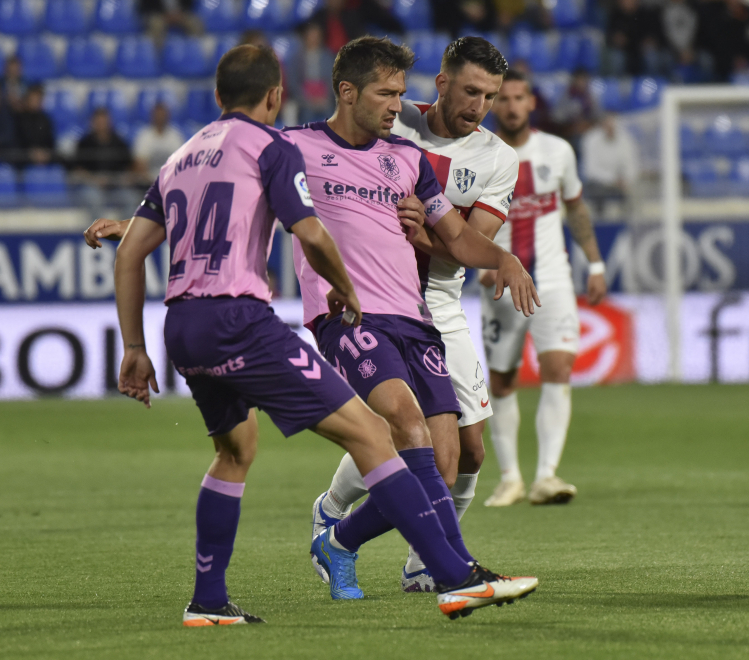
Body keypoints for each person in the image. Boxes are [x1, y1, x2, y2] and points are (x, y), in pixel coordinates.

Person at [106, 43, 538, 625]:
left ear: (216, 97)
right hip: (284, 319)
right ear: (277, 96)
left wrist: (133, 340)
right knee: (381, 433)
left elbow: (457, 238)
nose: (395, 105)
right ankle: (452, 575)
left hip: (204, 322)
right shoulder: (282, 145)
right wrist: (344, 287)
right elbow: (308, 232)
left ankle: (211, 601)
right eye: (386, 93)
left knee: (238, 452)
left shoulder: (187, 155)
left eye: (397, 94)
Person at [283, 35, 539, 599]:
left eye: (490, 96)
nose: (480, 105)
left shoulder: (425, 158)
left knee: (454, 458)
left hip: (429, 306)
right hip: (352, 310)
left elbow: (459, 239)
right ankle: (453, 571)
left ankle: (343, 539)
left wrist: (505, 258)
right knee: (405, 424)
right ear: (443, 84)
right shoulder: (321, 141)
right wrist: (142, 226)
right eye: (470, 91)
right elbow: (228, 186)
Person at [481, 70, 606, 507]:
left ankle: (546, 477)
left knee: (559, 368)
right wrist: (474, 260)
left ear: (532, 102)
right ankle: (510, 476)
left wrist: (595, 262)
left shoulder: (558, 151)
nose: (512, 106)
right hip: (499, 283)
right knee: (502, 378)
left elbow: (576, 209)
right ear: (492, 104)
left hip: (552, 280)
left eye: (519, 97)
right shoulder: (478, 153)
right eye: (503, 99)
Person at [74, 107, 140, 212]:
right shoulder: (84, 143)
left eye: (104, 121)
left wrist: (120, 179)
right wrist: (94, 180)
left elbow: (129, 167)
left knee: (131, 199)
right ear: (92, 122)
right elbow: (78, 170)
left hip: (116, 186)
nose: (101, 124)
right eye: (98, 121)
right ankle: (99, 229)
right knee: (93, 199)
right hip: (92, 185)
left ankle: (126, 229)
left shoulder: (119, 142)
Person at [579, 113, 639, 218]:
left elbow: (631, 164)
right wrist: (613, 179)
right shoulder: (591, 140)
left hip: (621, 183)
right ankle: (599, 221)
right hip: (598, 183)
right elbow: (591, 170)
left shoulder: (626, 139)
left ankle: (629, 222)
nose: (610, 128)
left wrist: (626, 179)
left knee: (636, 191)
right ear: (602, 125)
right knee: (596, 190)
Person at [287, 22, 336, 124]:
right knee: (306, 114)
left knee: (330, 112)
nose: (314, 39)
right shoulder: (296, 58)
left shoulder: (328, 57)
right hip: (305, 98)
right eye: (311, 36)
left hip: (324, 98)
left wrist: (325, 97)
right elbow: (293, 83)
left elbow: (333, 80)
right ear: (305, 37)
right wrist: (307, 99)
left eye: (316, 36)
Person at [132, 102, 186, 185]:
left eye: (162, 115)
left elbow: (181, 163)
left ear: (167, 116)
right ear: (152, 116)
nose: (160, 117)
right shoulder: (144, 136)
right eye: (157, 115)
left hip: (171, 182)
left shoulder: (175, 136)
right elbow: (140, 165)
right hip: (148, 184)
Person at [13, 84, 55, 166]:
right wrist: (30, 153)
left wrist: (45, 152)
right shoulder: (18, 118)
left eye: (38, 99)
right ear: (27, 99)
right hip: (23, 159)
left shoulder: (46, 119)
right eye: (33, 98)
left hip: (44, 157)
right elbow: (16, 141)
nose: (36, 101)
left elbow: (51, 142)